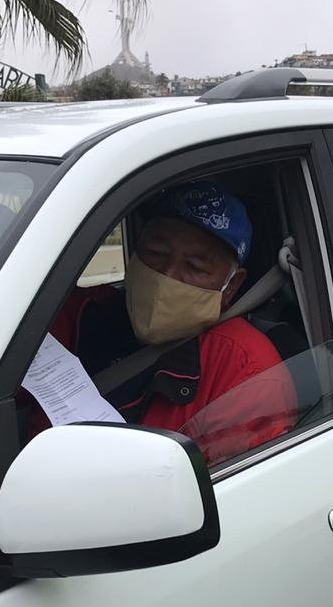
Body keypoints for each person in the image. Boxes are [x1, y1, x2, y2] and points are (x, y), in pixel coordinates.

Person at [34, 180, 296, 464]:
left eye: (195, 267)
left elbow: (221, 492)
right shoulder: (83, 312)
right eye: (156, 253)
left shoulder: (246, 370)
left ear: (230, 287)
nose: (167, 276)